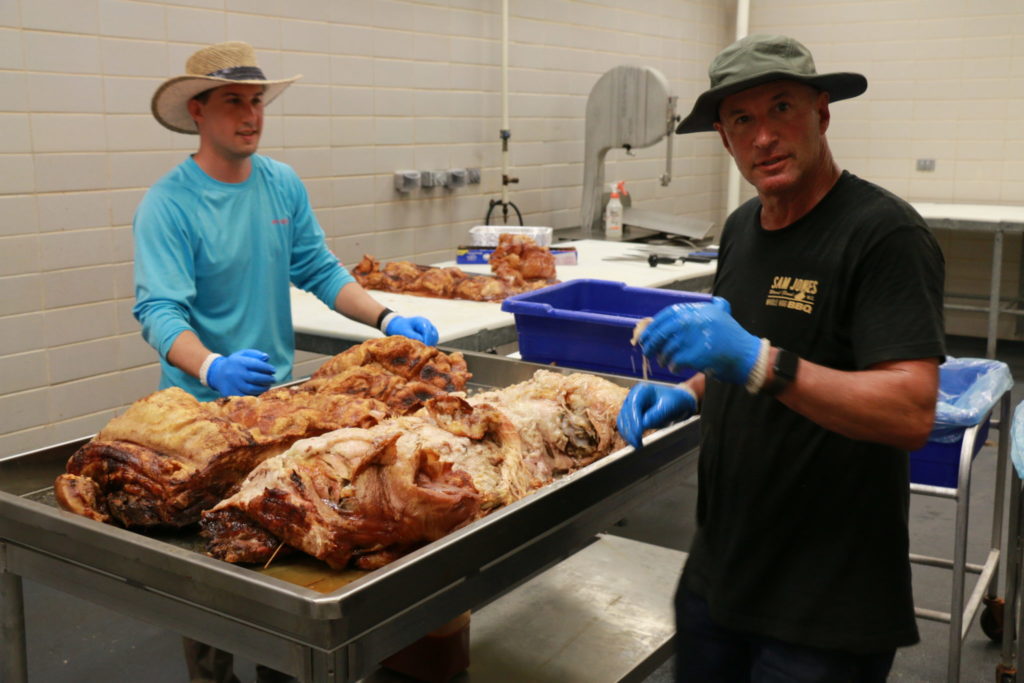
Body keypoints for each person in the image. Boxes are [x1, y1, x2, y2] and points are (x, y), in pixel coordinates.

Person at [617, 35, 945, 682]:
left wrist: (762, 364)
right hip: (720, 573)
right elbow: (739, 362)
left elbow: (910, 411)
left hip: (824, 605)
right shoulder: (741, 228)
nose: (764, 135)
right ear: (724, 138)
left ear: (822, 113)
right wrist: (692, 391)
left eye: (782, 109)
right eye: (742, 119)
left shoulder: (883, 235)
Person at [134, 41, 439, 683]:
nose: (251, 115)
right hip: (201, 417)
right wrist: (211, 367)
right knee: (212, 579)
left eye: (256, 101)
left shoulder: (281, 183)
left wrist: (386, 319)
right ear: (198, 111)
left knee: (285, 556)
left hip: (278, 410)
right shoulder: (169, 204)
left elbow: (319, 269)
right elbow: (159, 313)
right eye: (233, 103)